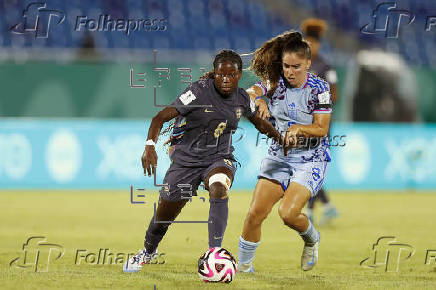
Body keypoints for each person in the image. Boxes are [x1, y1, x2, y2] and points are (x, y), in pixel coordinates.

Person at [123, 49, 283, 273]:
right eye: (220, 75)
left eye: (231, 75)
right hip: (186, 161)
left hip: (219, 158)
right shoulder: (197, 92)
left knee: (219, 187)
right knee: (164, 215)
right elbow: (160, 117)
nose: (225, 79)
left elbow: (259, 122)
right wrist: (149, 145)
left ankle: (214, 254)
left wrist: (281, 139)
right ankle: (148, 251)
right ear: (214, 74)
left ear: (238, 76)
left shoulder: (242, 99)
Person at [237, 31, 332, 272]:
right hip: (279, 155)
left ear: (308, 64)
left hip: (310, 159)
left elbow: (321, 129)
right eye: (286, 66)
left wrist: (298, 129)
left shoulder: (319, 89)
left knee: (288, 214)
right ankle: (244, 269)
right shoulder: (275, 81)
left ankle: (312, 238)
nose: (289, 71)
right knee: (254, 214)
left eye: (296, 67)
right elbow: (249, 93)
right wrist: (259, 101)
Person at [301, 18, 339, 225]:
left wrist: (314, 100)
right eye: (306, 43)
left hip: (320, 125)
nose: (310, 46)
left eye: (312, 43)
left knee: (312, 165)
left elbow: (335, 95)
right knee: (306, 167)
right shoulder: (298, 66)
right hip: (301, 124)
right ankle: (326, 206)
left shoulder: (325, 66)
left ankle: (308, 210)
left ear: (318, 45)